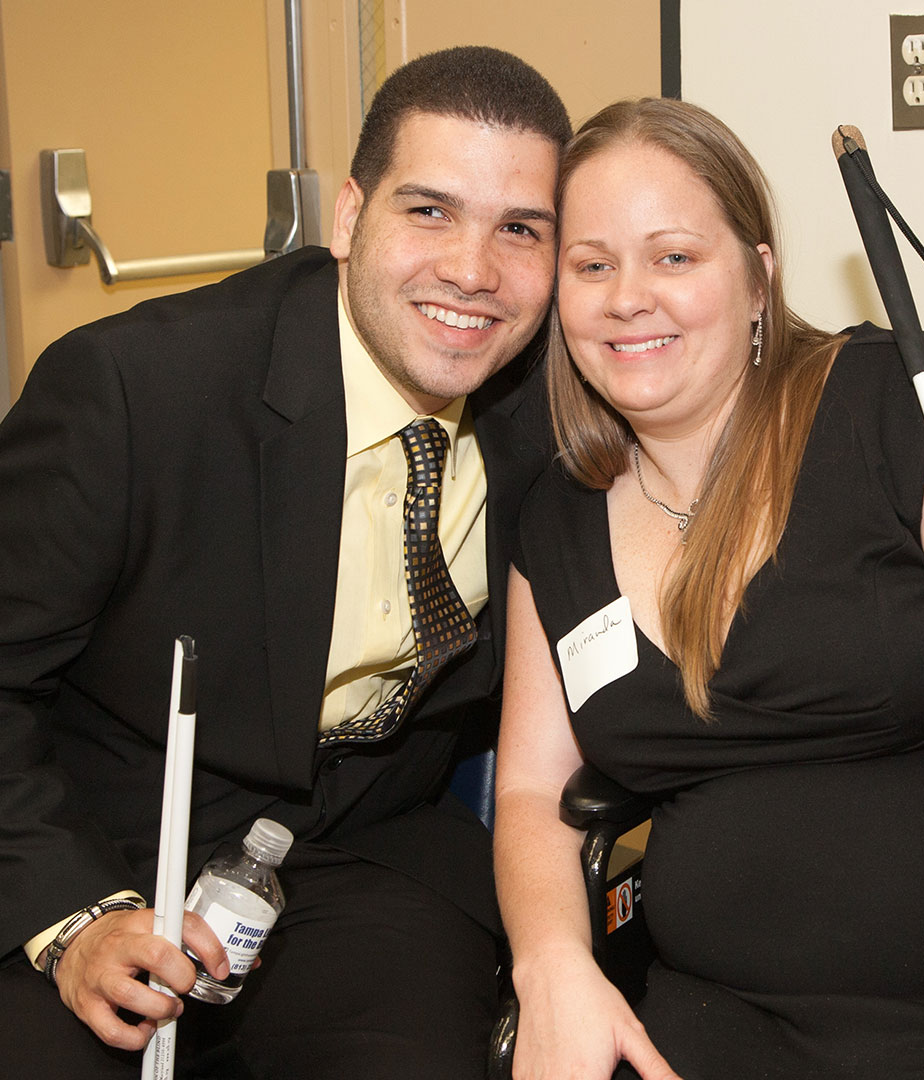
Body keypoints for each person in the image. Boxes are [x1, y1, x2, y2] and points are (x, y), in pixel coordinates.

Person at [0, 46, 570, 1079]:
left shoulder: (555, 412)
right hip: (101, 844)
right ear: (348, 218)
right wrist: (73, 918)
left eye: (520, 230)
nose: (475, 272)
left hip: (360, 858)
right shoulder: (136, 392)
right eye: (430, 212)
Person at [494, 97, 924, 1080]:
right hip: (692, 1027)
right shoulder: (559, 515)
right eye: (591, 266)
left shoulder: (902, 414)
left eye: (674, 256)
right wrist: (552, 963)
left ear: (760, 277)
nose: (628, 296)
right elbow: (529, 788)